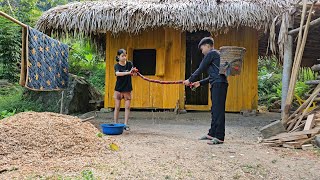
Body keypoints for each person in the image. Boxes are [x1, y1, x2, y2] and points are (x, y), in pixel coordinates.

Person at [183, 37, 228, 145]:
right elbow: (214, 75)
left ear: (208, 46)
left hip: (219, 85)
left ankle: (220, 136)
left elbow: (201, 68)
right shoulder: (216, 55)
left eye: (202, 49)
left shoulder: (212, 53)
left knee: (218, 110)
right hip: (217, 83)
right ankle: (212, 133)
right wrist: (200, 83)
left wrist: (190, 79)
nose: (202, 52)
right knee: (214, 109)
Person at [113, 49, 136, 130]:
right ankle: (115, 123)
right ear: (118, 57)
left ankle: (125, 124)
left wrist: (134, 72)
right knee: (117, 106)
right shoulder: (116, 66)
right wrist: (128, 73)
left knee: (127, 107)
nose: (124, 57)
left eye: (125, 55)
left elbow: (133, 73)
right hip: (118, 89)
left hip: (127, 88)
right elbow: (117, 73)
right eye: (122, 56)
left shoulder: (130, 64)